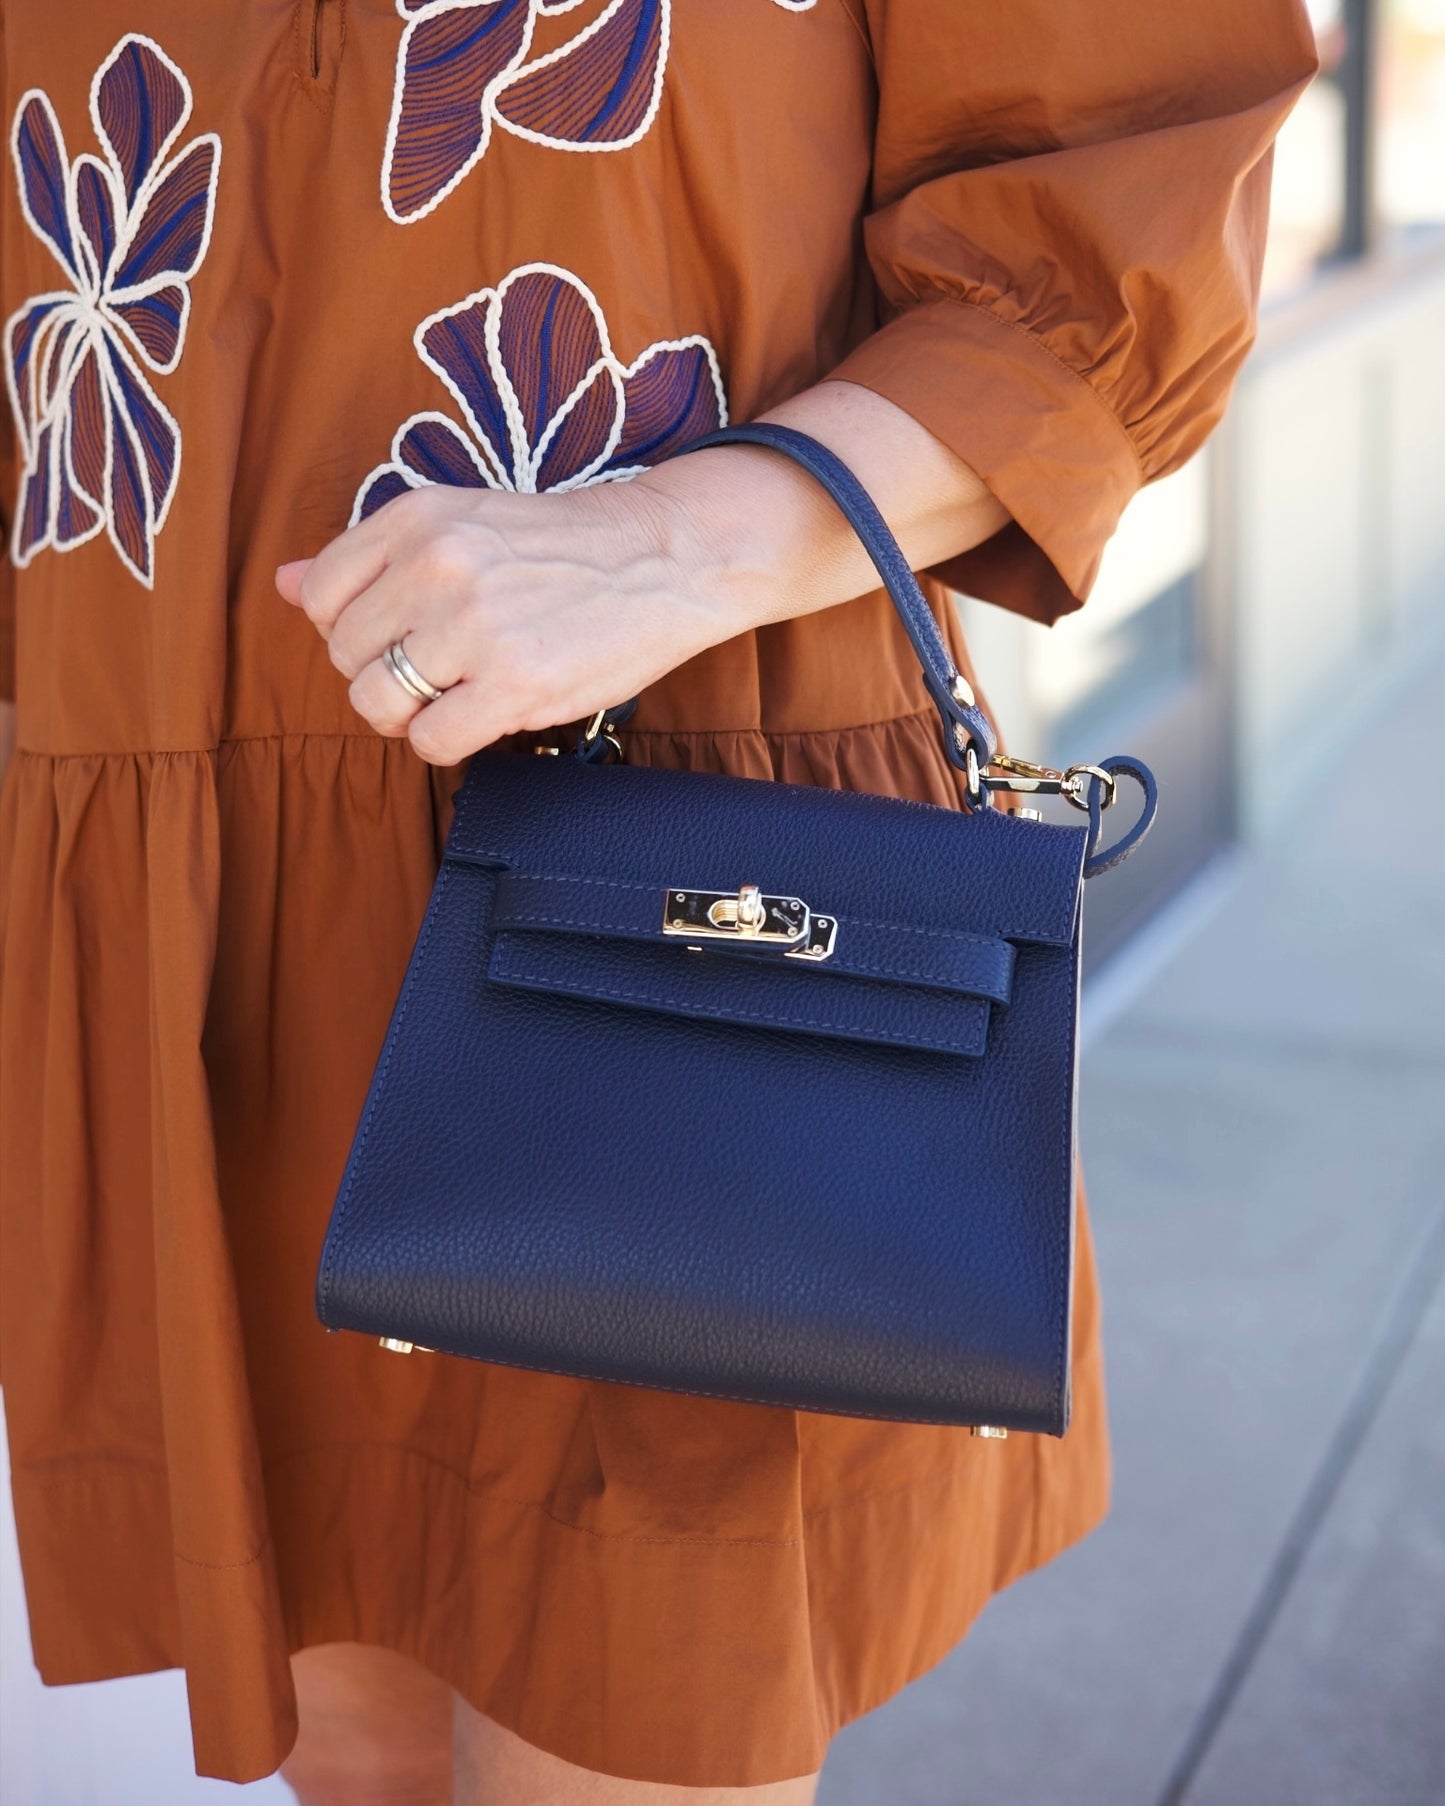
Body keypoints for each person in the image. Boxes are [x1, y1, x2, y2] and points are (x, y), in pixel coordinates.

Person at [0, 3, 1316, 1801]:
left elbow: (1121, 187)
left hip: (666, 894)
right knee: (357, 1734)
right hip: (183, 878)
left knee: (640, 1708)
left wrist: (670, 538)